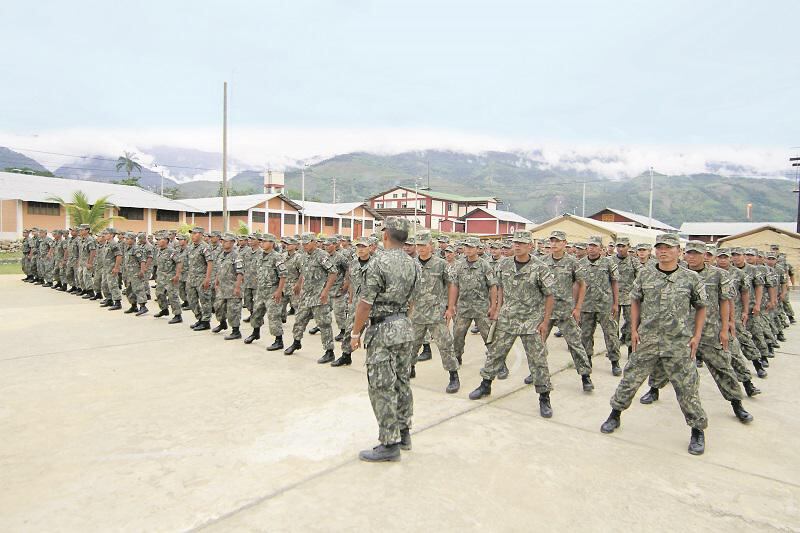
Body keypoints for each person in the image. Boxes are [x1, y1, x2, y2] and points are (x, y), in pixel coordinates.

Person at [600, 233, 709, 456]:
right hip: (648, 339)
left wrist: (696, 336)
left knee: (687, 388)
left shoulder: (690, 278)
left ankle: (697, 430)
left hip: (678, 342)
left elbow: (701, 307)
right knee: (630, 380)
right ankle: (615, 414)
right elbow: (635, 300)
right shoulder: (645, 274)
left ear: (678, 251)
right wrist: (633, 329)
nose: (663, 251)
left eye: (668, 247)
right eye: (659, 247)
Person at [638, 241, 754, 423]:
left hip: (709, 331)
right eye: (689, 253)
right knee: (662, 362)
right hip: (679, 331)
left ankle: (736, 403)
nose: (692, 257)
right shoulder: (676, 272)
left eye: (697, 253)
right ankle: (654, 389)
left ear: (705, 255)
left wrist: (726, 327)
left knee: (722, 367)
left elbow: (726, 301)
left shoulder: (719, 275)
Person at [349, 217, 418, 462]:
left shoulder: (377, 263)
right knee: (402, 382)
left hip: (382, 331)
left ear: (385, 234)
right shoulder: (413, 264)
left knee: (381, 387)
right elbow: (413, 300)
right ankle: (404, 432)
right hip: (404, 328)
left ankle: (389, 443)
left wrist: (355, 333)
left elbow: (365, 303)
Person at [468, 230, 557, 418]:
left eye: (522, 243)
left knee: (538, 360)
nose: (517, 246)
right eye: (515, 242)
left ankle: (544, 397)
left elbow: (550, 295)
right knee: (495, 353)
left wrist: (545, 322)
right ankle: (485, 385)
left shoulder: (540, 267)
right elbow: (500, 287)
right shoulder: (504, 264)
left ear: (530, 246)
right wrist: (498, 308)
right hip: (508, 318)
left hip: (531, 321)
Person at [539, 230, 593, 392]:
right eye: (552, 241)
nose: (554, 244)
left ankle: (585, 376)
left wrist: (578, 308)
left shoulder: (572, 262)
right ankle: (538, 372)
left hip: (565, 311)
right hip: (545, 311)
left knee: (576, 344)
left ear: (565, 243)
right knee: (538, 344)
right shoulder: (542, 262)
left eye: (557, 241)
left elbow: (582, 284)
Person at [410, 232, 461, 393]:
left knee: (445, 345)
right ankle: (409, 369)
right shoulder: (411, 264)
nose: (421, 248)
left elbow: (452, 285)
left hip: (436, 313)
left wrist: (450, 307)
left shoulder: (441, 264)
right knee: (411, 344)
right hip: (416, 313)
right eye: (418, 245)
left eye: (424, 245)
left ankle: (453, 376)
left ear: (431, 246)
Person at [284, 233, 338, 362]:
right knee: (299, 320)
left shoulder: (322, 255)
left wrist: (325, 291)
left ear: (314, 242)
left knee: (324, 324)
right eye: (303, 243)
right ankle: (296, 342)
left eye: (307, 243)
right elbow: (303, 272)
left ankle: (329, 352)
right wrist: (298, 284)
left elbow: (333, 272)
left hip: (319, 296)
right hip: (306, 295)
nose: (305, 245)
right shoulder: (303, 255)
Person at [448, 236, 498, 367]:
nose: (468, 249)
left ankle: (497, 361)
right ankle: (457, 357)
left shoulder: (484, 265)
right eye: (466, 247)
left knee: (488, 336)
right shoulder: (459, 265)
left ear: (477, 248)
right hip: (463, 307)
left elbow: (493, 286)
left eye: (471, 247)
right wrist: (451, 305)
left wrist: (493, 306)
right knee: (458, 335)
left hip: (481, 308)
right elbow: (454, 286)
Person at [580, 236, 622, 376]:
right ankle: (587, 359)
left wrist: (615, 303)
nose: (591, 248)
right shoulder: (580, 263)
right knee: (585, 334)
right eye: (589, 246)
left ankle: (615, 361)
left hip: (605, 305)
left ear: (600, 248)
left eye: (594, 246)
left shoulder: (608, 263)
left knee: (610, 334)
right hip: (586, 305)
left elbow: (615, 282)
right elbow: (576, 285)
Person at [332, 236, 372, 367]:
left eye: (363, 247)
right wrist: (350, 296)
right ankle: (346, 355)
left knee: (374, 332)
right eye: (358, 247)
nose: (360, 249)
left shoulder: (376, 263)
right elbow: (350, 280)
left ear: (370, 248)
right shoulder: (353, 263)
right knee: (350, 329)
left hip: (373, 303)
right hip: (357, 301)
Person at [245, 234, 287, 349]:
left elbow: (283, 275)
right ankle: (255, 333)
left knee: (273, 316)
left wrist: (279, 291)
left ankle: (279, 340)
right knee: (256, 313)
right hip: (260, 290)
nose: (262, 243)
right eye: (261, 241)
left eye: (265, 241)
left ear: (272, 243)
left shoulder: (277, 257)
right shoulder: (259, 255)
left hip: (272, 291)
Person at [212, 233, 245, 339]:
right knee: (218, 307)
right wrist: (216, 280)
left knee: (233, 310)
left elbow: (240, 272)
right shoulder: (221, 255)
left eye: (226, 241)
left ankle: (236, 331)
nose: (223, 243)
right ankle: (222, 323)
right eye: (222, 241)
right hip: (222, 287)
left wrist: (237, 287)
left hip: (232, 287)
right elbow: (219, 269)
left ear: (232, 243)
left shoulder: (236, 256)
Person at [185, 227, 214, 331]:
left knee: (204, 300)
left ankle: (206, 322)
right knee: (191, 300)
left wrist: (207, 279)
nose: (192, 235)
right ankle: (200, 318)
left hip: (202, 278)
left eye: (195, 233)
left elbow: (210, 263)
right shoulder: (190, 247)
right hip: (191, 278)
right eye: (192, 233)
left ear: (201, 235)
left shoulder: (205, 247)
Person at [153, 232, 183, 323]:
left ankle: (177, 315)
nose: (157, 241)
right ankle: (164, 309)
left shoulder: (171, 251)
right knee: (159, 294)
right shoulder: (159, 250)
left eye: (159, 239)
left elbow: (179, 262)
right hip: (161, 276)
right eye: (157, 239)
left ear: (166, 240)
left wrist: (177, 275)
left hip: (170, 276)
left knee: (172, 296)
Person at [122, 232, 149, 316]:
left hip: (136, 273)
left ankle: (143, 306)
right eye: (126, 239)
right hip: (129, 273)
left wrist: (142, 271)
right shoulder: (128, 248)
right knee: (129, 290)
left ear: (133, 239)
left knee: (138, 289)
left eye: (128, 239)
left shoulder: (136, 249)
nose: (126, 240)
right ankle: (133, 306)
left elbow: (142, 261)